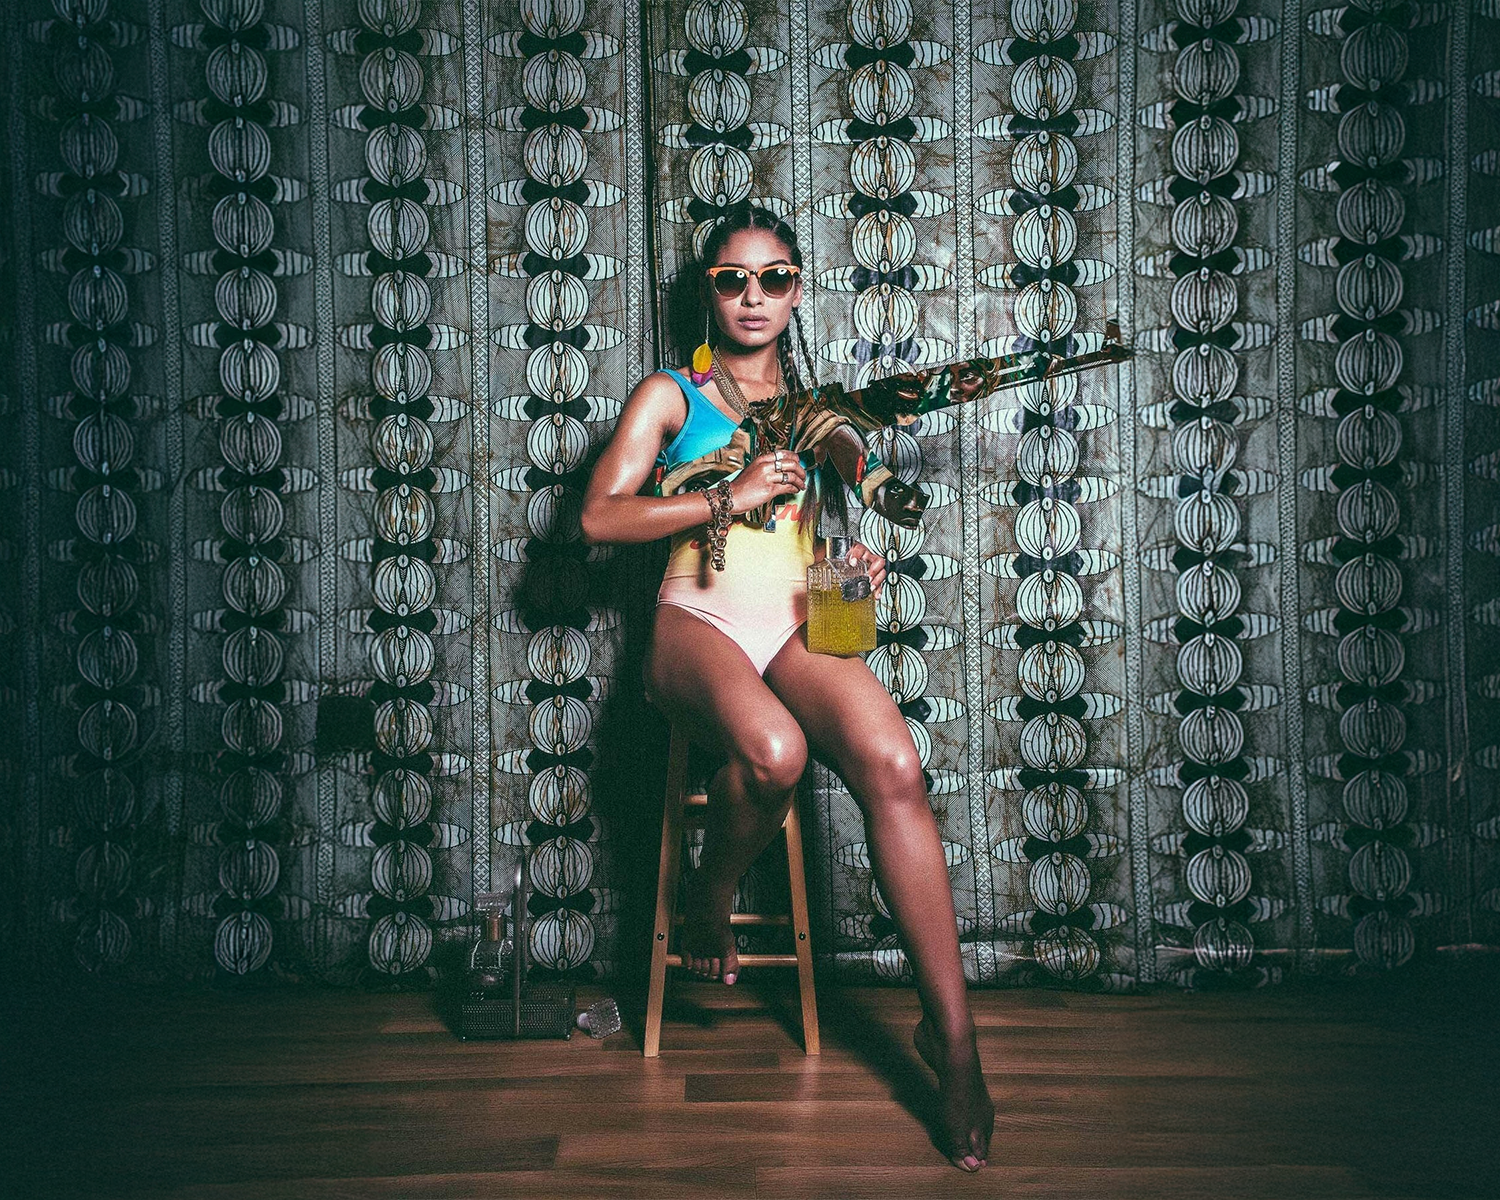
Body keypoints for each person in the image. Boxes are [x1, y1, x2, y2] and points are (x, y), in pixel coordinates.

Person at [580, 203, 994, 1172]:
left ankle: (958, 1044)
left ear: (797, 290)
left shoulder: (818, 408)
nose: (753, 296)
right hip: (699, 620)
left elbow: (846, 479)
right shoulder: (672, 396)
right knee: (773, 752)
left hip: (801, 617)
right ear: (709, 292)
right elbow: (598, 519)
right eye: (733, 279)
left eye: (773, 279)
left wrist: (854, 542)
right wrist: (729, 495)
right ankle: (709, 900)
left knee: (894, 762)